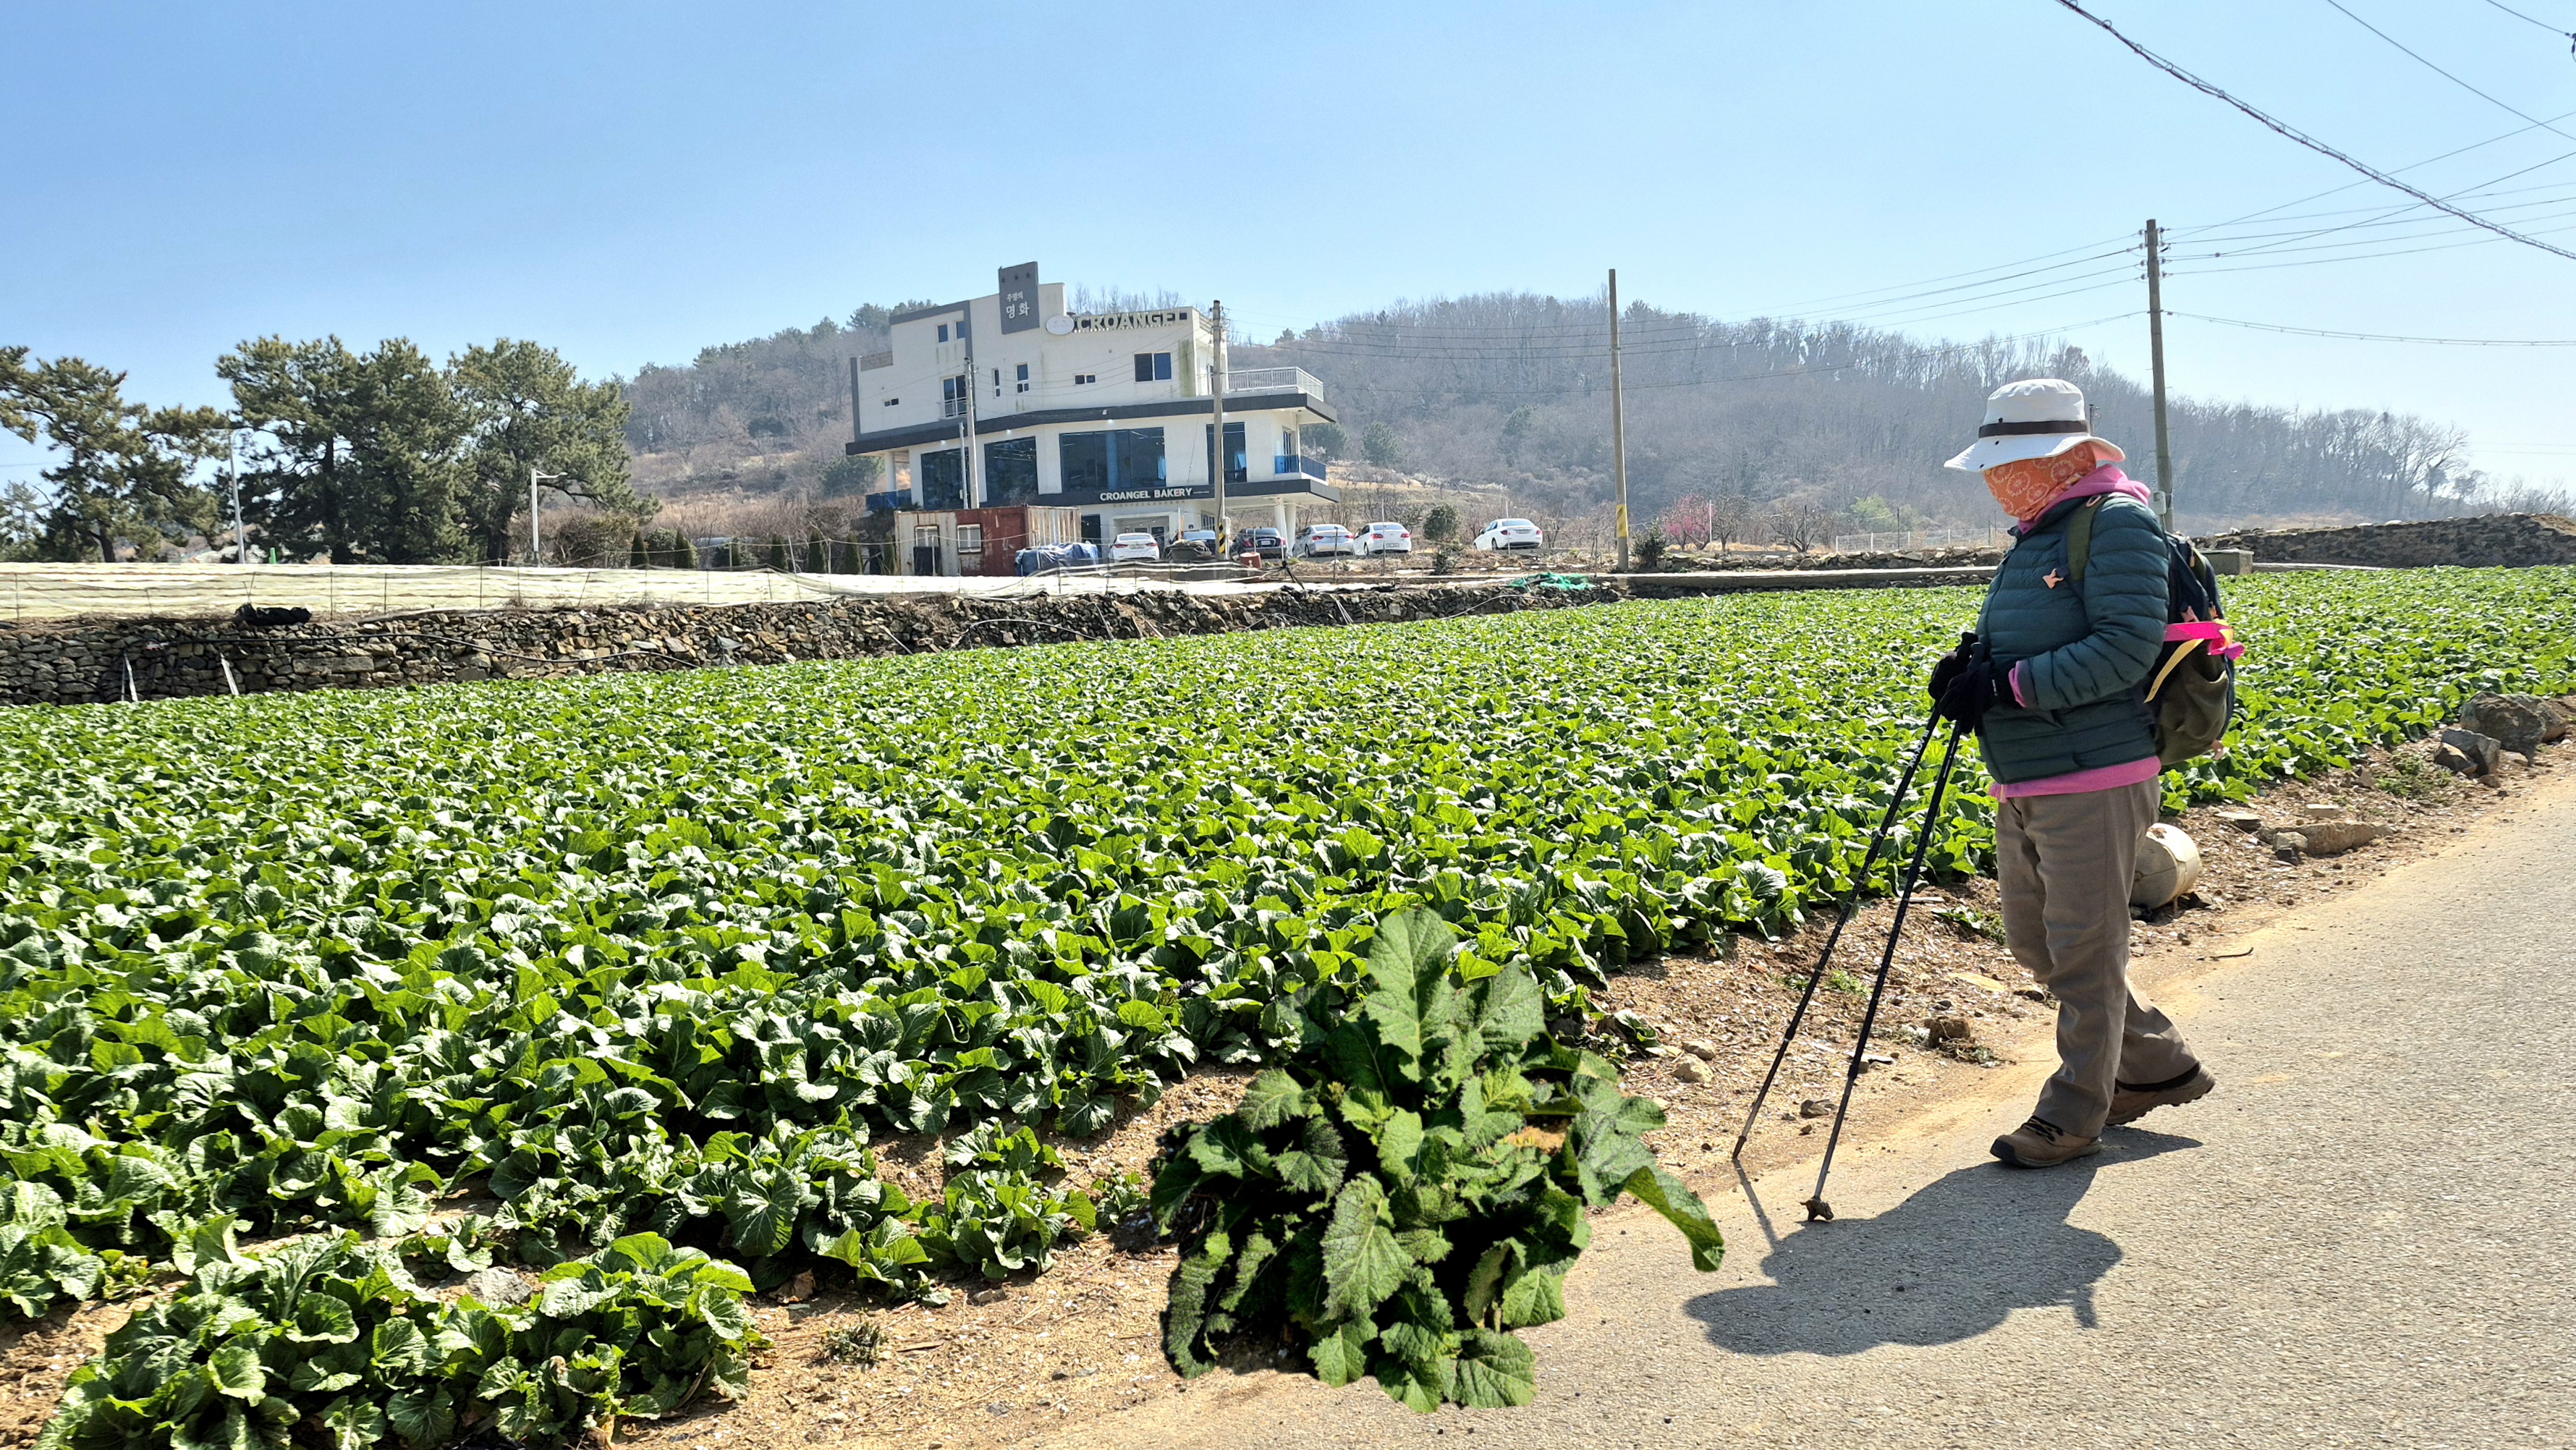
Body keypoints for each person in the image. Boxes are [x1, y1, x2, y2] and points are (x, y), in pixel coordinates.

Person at [1930, 378, 2217, 1169]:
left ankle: (2073, 1114)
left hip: (2095, 771)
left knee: (2086, 954)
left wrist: (2007, 687)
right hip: (2026, 772)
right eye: (1994, 466)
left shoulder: (2116, 523)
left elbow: (2124, 648)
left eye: (2011, 465)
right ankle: (2157, 1065)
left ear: (2066, 460)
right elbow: (2038, 633)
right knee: (2038, 943)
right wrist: (1972, 671)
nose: (1997, 480)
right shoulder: (2041, 532)